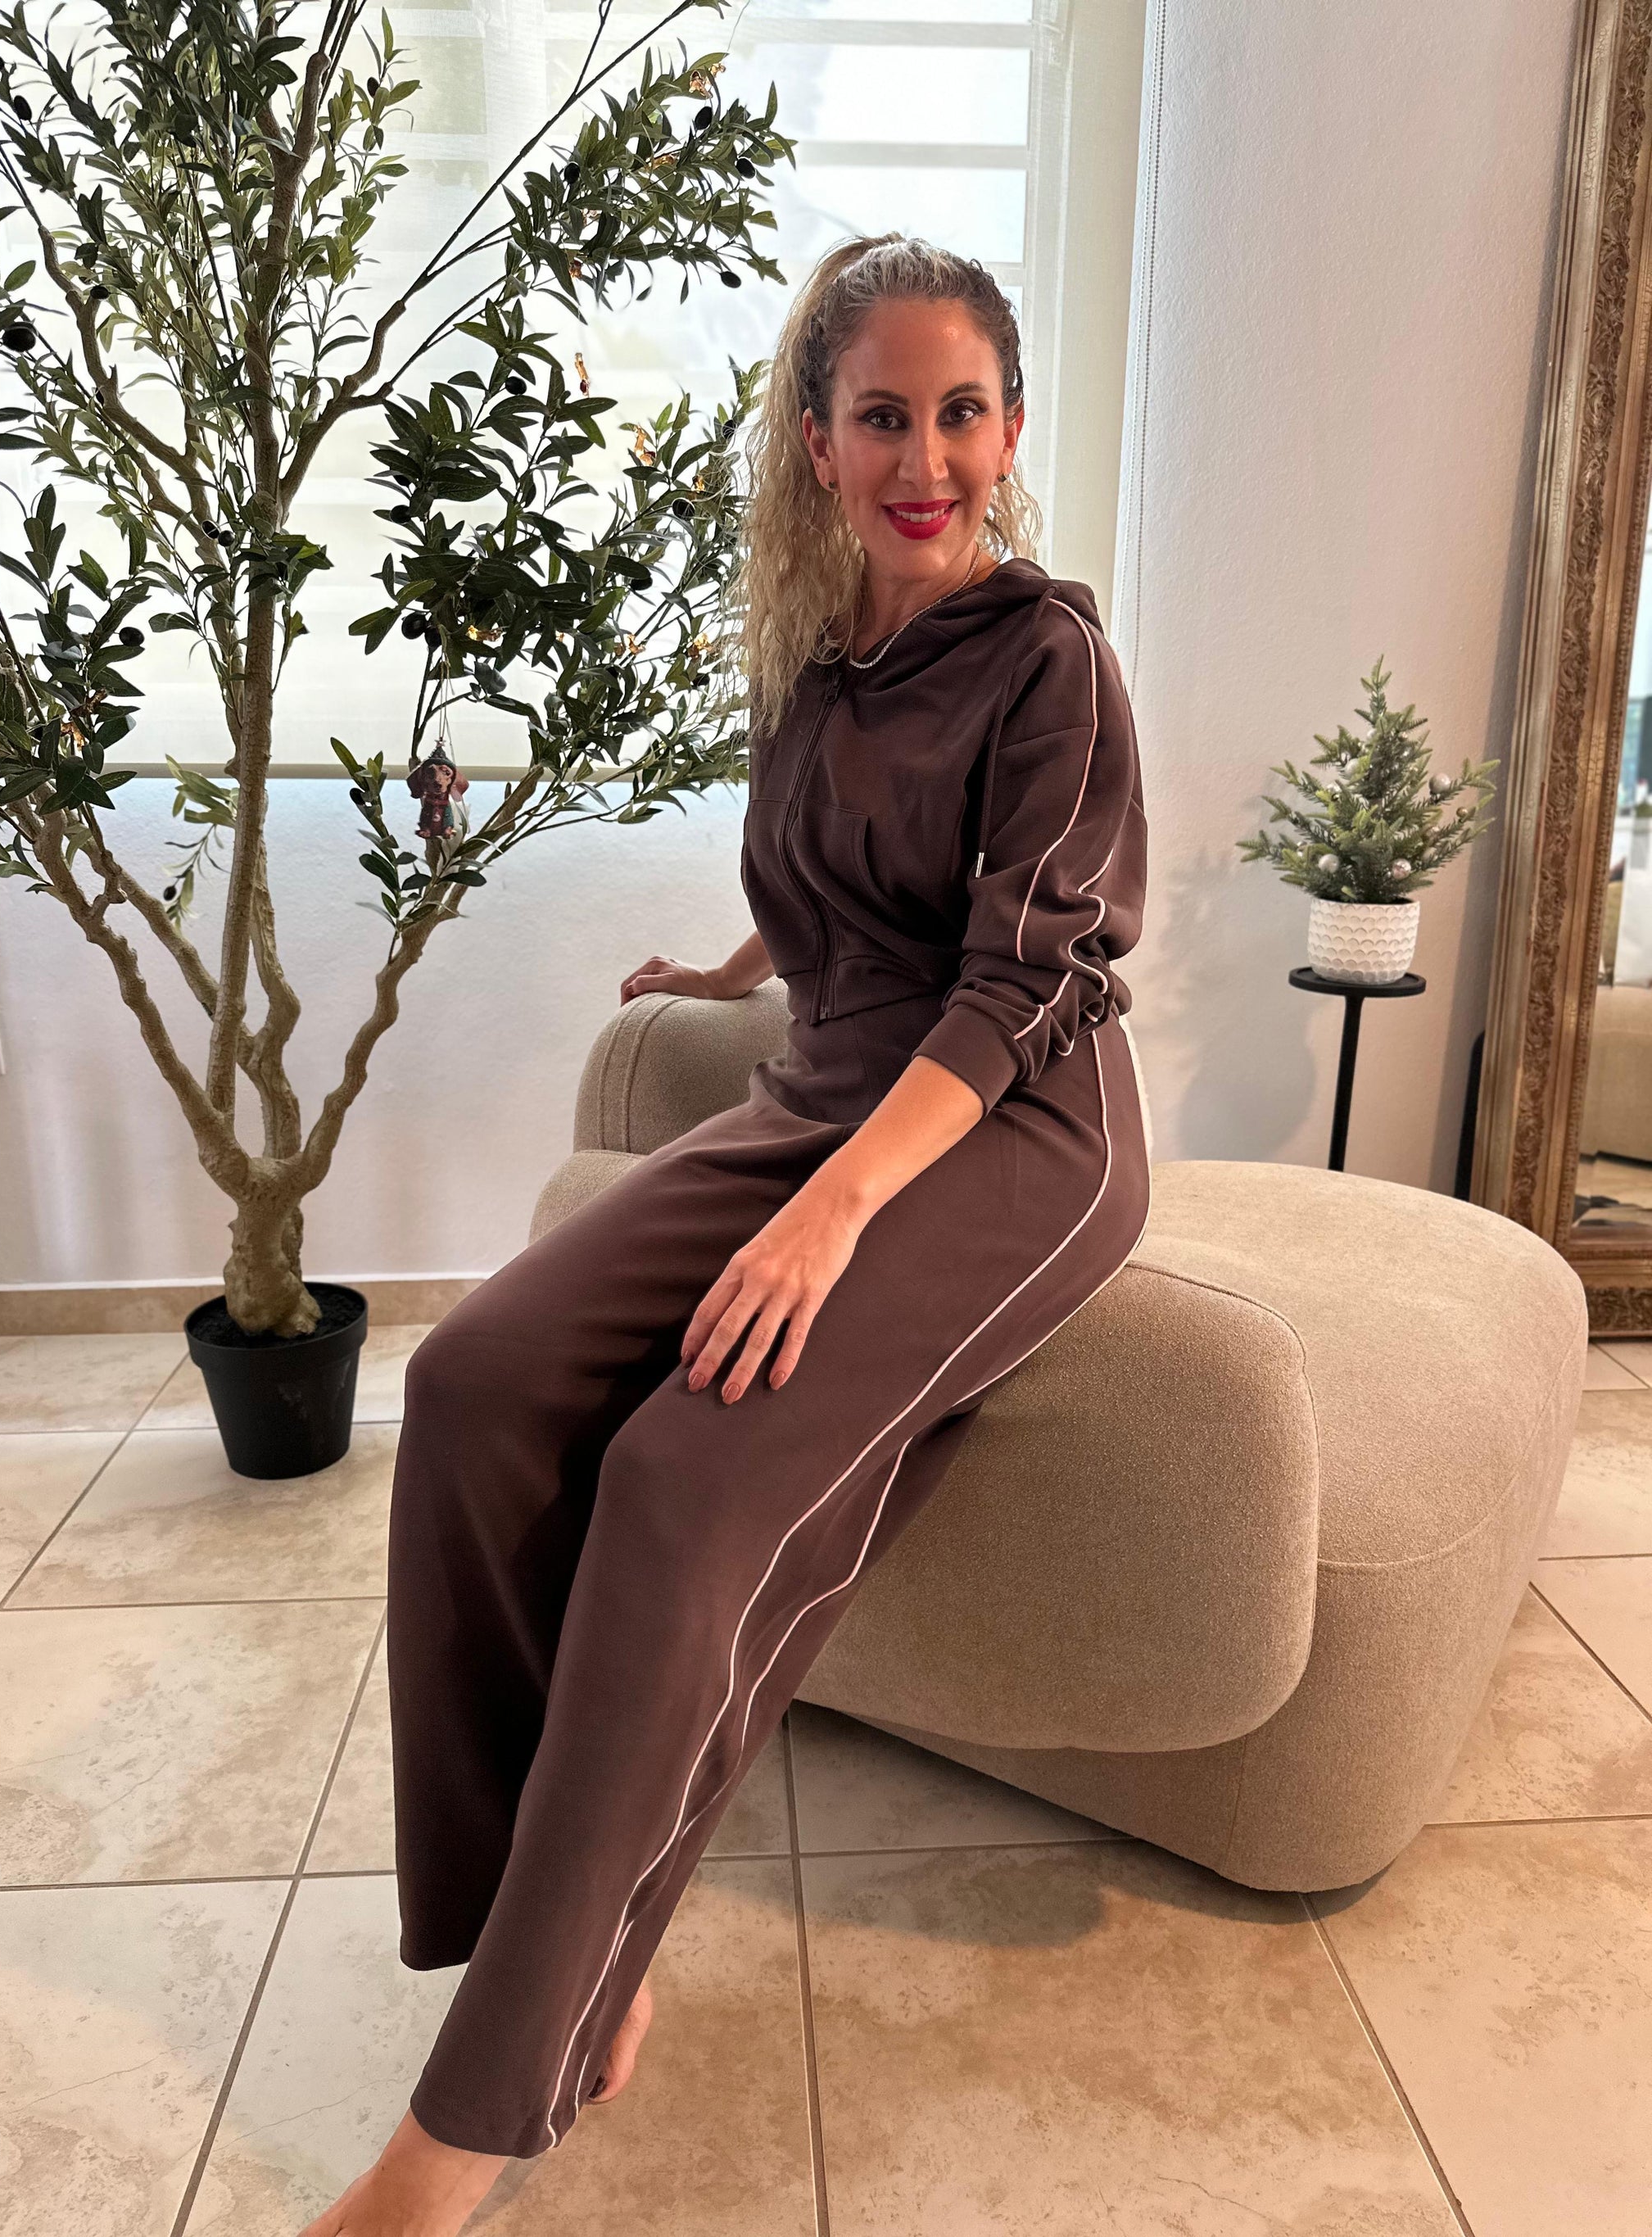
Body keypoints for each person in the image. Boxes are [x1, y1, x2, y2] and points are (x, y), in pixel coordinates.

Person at [300, 231, 1150, 2237]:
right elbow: (842, 872)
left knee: (686, 1475)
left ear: (1012, 429)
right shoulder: (817, 651)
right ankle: (557, 1931)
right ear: (816, 439)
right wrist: (734, 964)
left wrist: (829, 1220)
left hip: (1009, 1122)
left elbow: (1024, 969)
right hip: (824, 1080)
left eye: (961, 413)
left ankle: (458, 2139)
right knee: (474, 1381)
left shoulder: (1051, 658)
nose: (925, 458)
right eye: (883, 416)